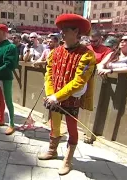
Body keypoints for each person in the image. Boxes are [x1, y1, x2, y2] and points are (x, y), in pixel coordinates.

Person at [40, 14, 96, 175]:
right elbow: (48, 74)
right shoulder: (54, 52)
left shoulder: (87, 55)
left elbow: (79, 80)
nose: (62, 33)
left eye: (66, 30)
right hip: (54, 98)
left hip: (71, 100)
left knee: (72, 128)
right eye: (61, 29)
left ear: (76, 31)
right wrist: (51, 95)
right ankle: (52, 150)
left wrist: (57, 97)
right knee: (54, 125)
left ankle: (68, 159)